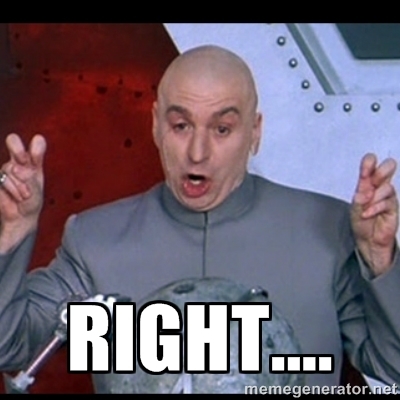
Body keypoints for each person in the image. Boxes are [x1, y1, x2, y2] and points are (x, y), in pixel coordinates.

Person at [0, 44, 399, 393]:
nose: (197, 152)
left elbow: (392, 367)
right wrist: (12, 235)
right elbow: (9, 346)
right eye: (181, 126)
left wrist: (381, 260)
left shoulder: (327, 229)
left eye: (222, 129)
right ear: (155, 125)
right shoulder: (94, 240)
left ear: (255, 132)